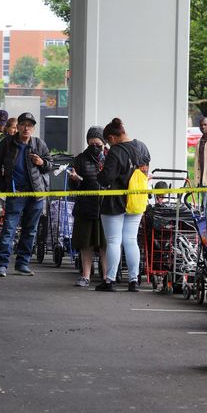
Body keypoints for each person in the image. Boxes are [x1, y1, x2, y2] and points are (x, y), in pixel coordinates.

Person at [0, 112, 53, 277]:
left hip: (36, 194)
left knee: (30, 230)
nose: (26, 128)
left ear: (33, 128)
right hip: (15, 193)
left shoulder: (39, 144)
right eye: (23, 124)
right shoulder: (6, 144)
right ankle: (1, 265)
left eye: (30, 125)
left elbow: (50, 165)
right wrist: (4, 187)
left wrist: (42, 162)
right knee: (9, 229)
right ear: (17, 127)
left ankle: (22, 264)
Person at [96, 118, 151, 292]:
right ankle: (133, 280)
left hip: (115, 201)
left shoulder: (115, 152)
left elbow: (106, 178)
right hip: (136, 199)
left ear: (112, 138)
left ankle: (110, 280)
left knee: (113, 241)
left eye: (107, 141)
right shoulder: (141, 147)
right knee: (131, 240)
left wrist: (100, 172)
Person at [69, 127, 108, 287]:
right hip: (85, 208)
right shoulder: (80, 159)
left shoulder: (110, 158)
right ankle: (85, 276)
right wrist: (74, 179)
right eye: (91, 143)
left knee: (105, 244)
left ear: (104, 144)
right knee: (86, 244)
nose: (95, 147)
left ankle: (107, 277)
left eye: (98, 144)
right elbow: (73, 187)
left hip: (106, 208)